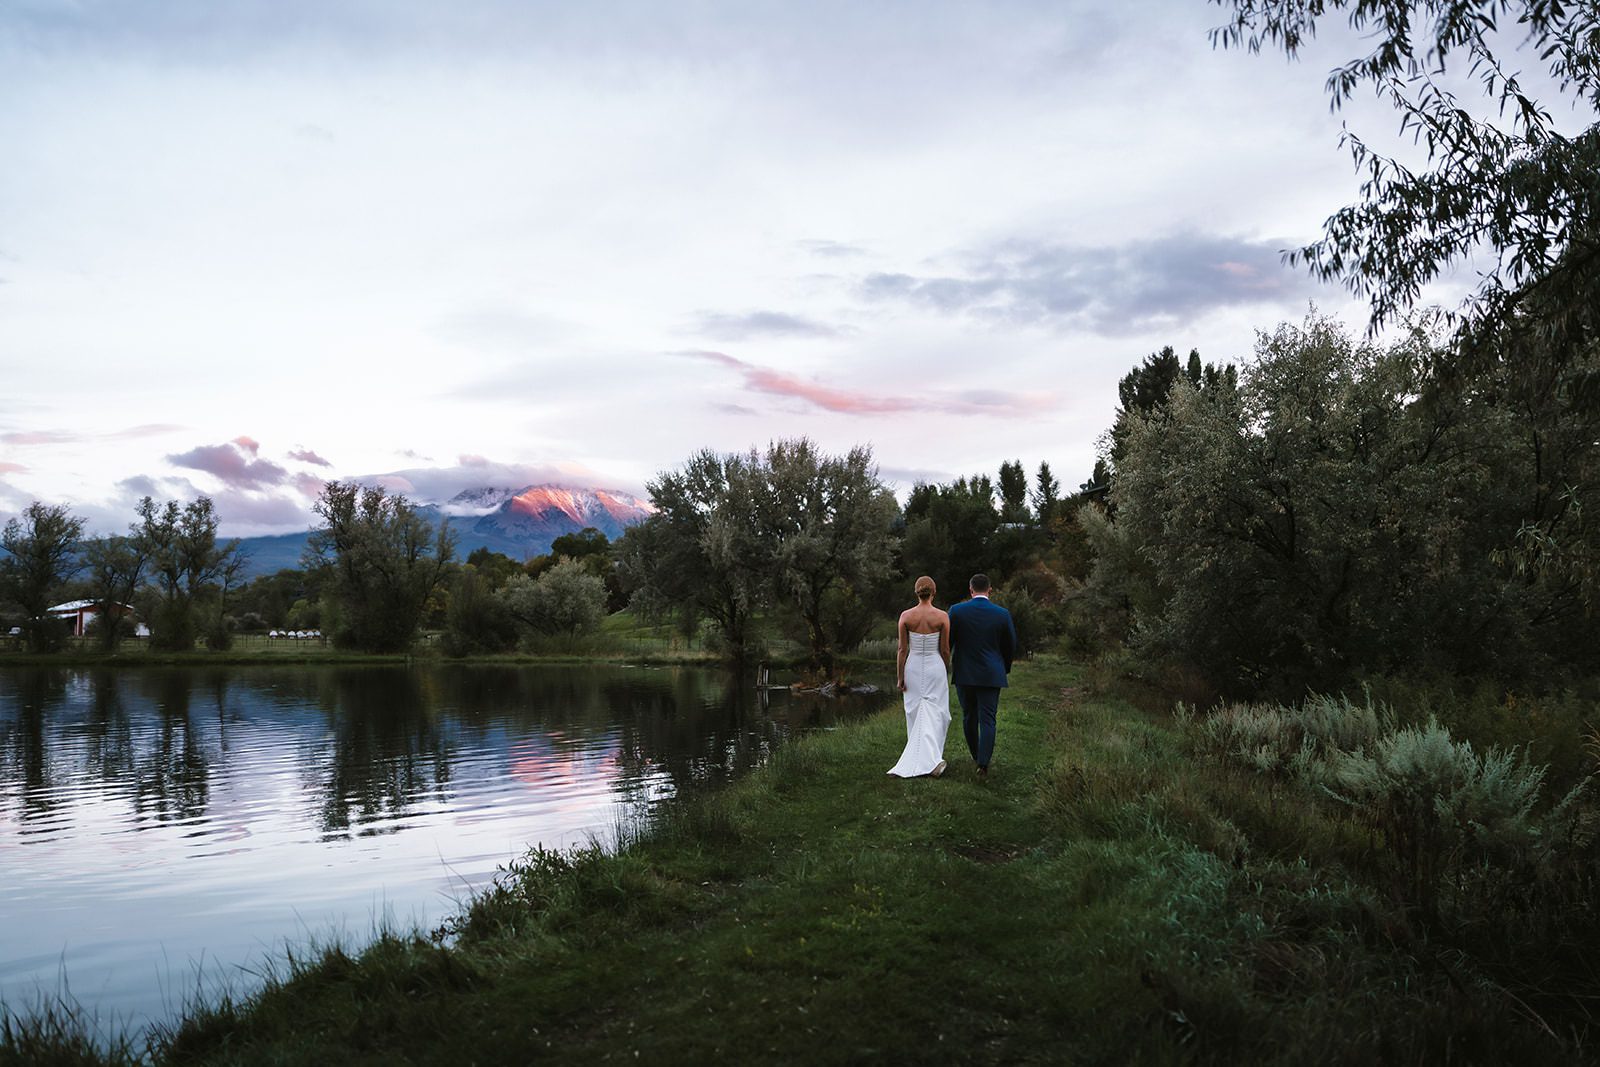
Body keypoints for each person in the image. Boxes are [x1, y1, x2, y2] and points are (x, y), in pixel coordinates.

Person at [948, 573, 1016, 780]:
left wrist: (948, 665)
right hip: (991, 673)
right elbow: (1011, 645)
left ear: (970, 589)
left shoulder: (957, 611)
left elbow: (948, 642)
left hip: (965, 673)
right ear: (990, 590)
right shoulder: (1002, 614)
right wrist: (1003, 667)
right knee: (988, 719)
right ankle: (983, 764)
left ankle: (977, 756)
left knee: (969, 717)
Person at [887, 575, 951, 778]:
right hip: (935, 666)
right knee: (937, 712)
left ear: (916, 593)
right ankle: (932, 761)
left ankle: (924, 758)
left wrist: (900, 677)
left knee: (915, 711)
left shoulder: (906, 616)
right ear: (934, 592)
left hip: (913, 667)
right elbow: (945, 650)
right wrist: (946, 669)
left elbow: (902, 650)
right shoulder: (942, 616)